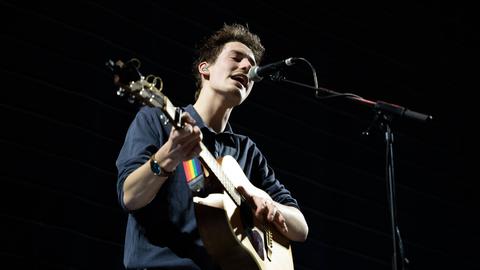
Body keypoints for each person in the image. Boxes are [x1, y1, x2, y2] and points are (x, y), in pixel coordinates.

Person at [115, 23, 309, 270]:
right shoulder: (156, 119)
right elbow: (130, 196)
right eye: (236, 58)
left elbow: (300, 228)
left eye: (251, 64)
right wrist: (167, 156)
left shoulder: (247, 151)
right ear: (205, 69)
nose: (247, 67)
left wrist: (263, 200)